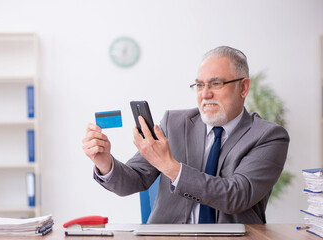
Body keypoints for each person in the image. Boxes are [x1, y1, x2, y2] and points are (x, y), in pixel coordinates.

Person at [82, 46, 290, 224]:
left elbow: (237, 195)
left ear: (243, 88)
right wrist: (105, 163)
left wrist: (171, 168)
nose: (205, 93)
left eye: (216, 84)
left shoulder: (269, 136)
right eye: (199, 85)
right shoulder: (174, 123)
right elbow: (134, 180)